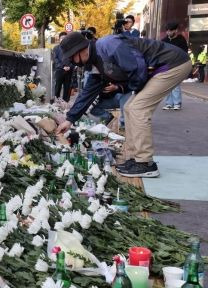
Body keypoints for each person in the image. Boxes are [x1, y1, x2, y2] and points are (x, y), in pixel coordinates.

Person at [56, 32, 191, 177]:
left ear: (80, 50)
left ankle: (145, 163)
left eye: (72, 57)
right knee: (128, 107)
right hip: (159, 68)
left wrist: (125, 88)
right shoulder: (95, 62)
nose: (73, 62)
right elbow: (87, 93)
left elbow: (137, 67)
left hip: (172, 64)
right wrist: (70, 119)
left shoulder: (108, 45)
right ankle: (134, 158)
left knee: (137, 108)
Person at [162, 22, 188, 110]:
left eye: (170, 30)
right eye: (167, 31)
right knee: (167, 85)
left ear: (175, 30)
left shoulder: (181, 40)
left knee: (176, 85)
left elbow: (185, 52)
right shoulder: (164, 40)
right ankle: (169, 103)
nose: (168, 32)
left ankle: (177, 103)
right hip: (166, 65)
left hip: (177, 64)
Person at [53, 32, 74, 102]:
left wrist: (70, 66)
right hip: (59, 70)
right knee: (58, 87)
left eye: (65, 38)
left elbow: (74, 59)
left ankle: (65, 102)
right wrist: (62, 67)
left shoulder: (71, 48)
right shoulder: (56, 48)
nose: (63, 39)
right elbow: (55, 59)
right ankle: (57, 102)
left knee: (67, 87)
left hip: (69, 70)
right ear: (59, 39)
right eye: (62, 38)